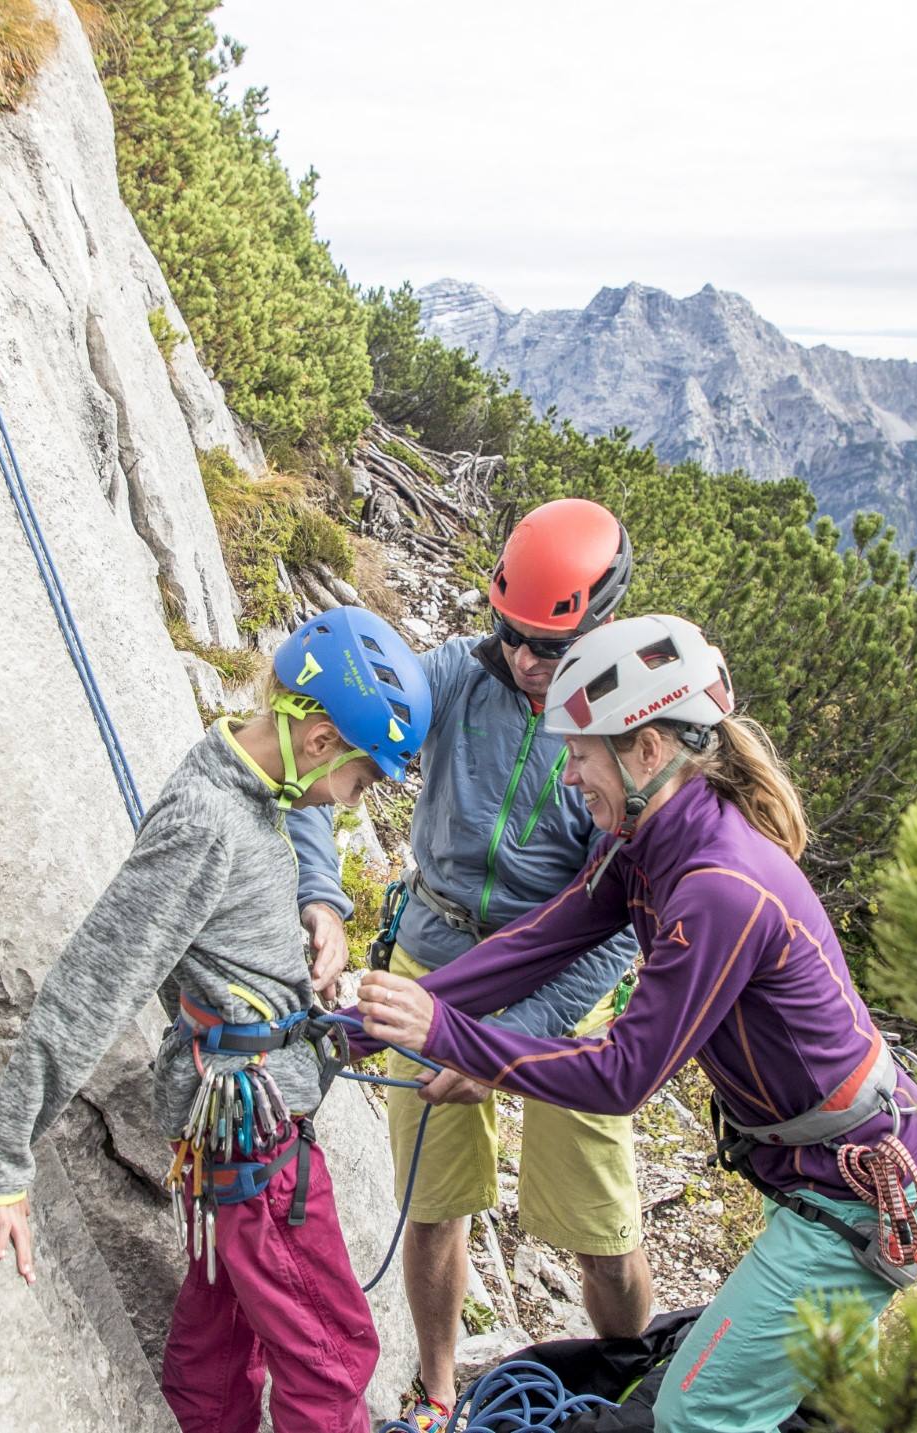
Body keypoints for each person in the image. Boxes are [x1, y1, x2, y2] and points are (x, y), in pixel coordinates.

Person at [357, 613, 917, 1432]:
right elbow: (540, 941)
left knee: (692, 1412)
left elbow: (621, 1076)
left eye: (580, 752)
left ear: (644, 749)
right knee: (806, 1410)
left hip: (852, 1194)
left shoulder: (718, 886)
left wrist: (447, 1033)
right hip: (830, 1175)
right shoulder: (647, 837)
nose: (568, 776)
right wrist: (362, 1025)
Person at [0, 607, 431, 1433]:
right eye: (361, 782)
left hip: (235, 1133)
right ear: (321, 740)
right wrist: (6, 1156)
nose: (353, 804)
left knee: (219, 1338)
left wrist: (327, 935)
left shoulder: (256, 792)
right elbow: (94, 982)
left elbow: (240, 953)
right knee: (331, 1355)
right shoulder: (209, 822)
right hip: (256, 1143)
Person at [289, 498, 647, 1427]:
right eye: (514, 635)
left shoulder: (622, 740)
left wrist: (501, 1043)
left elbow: (617, 926)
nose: (527, 660)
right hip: (433, 956)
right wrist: (321, 893)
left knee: (602, 1227)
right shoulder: (456, 674)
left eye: (550, 645)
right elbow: (315, 744)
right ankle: (440, 1391)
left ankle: (635, 1387)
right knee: (435, 1204)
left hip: (558, 989)